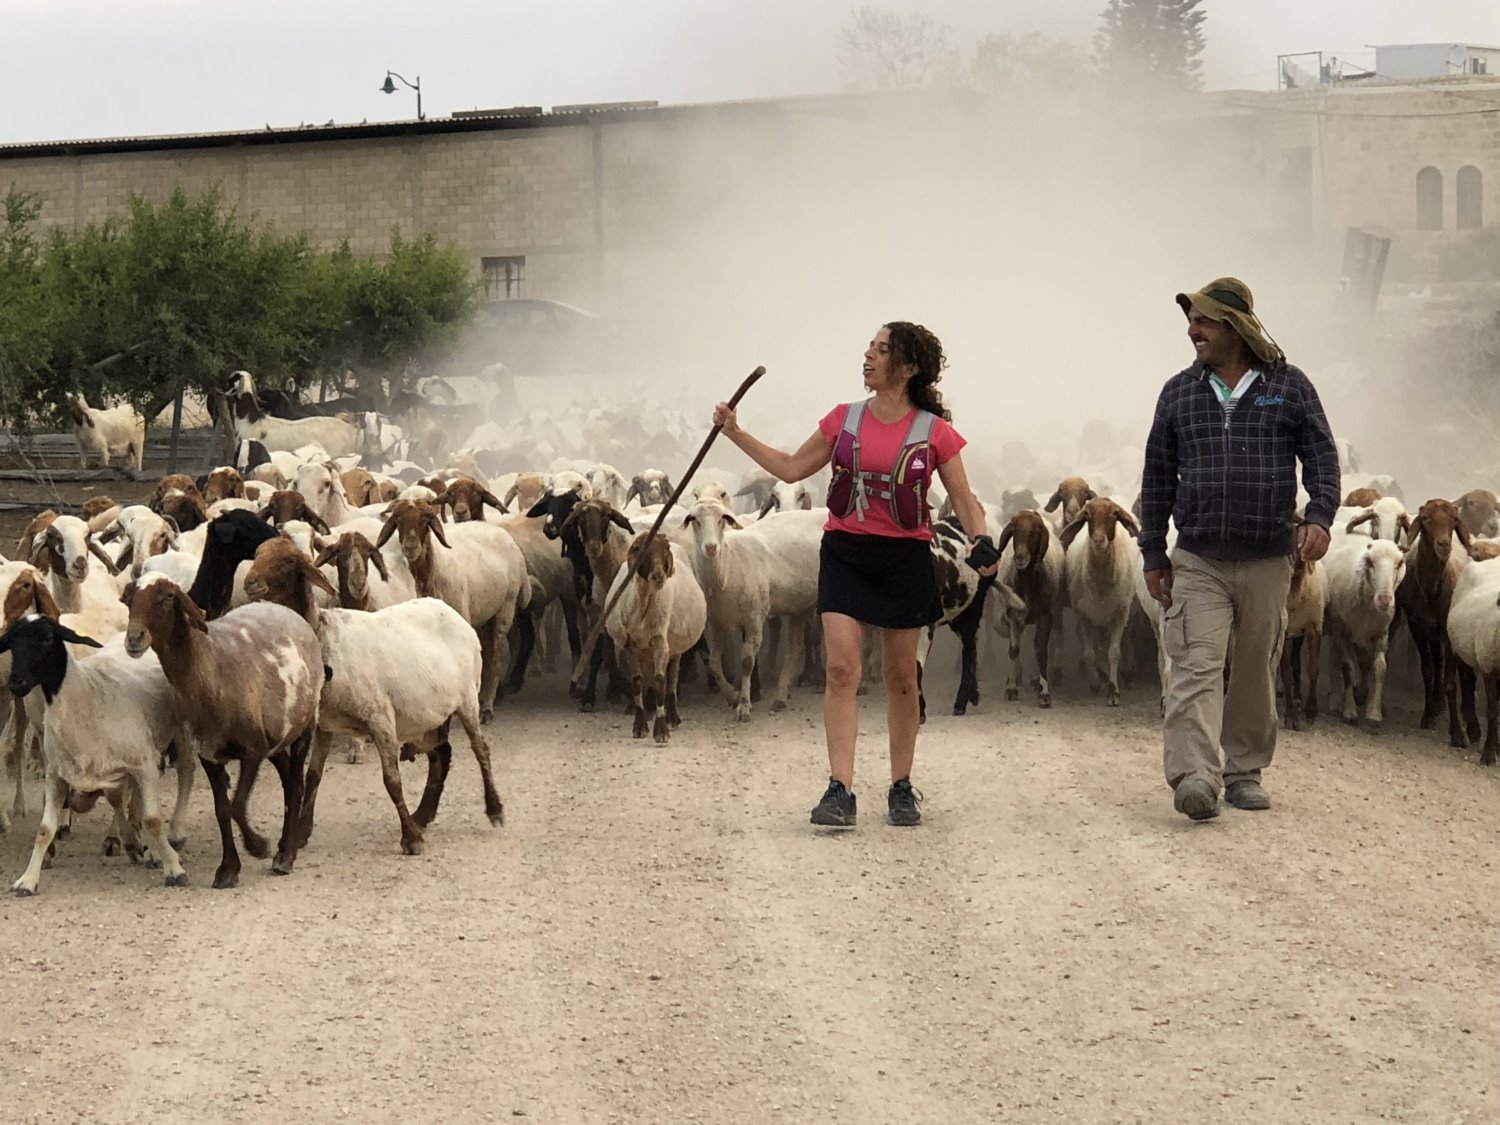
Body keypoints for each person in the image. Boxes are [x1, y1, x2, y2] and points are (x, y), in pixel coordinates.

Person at [712, 322, 995, 828]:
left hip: (905, 559)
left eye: (881, 350)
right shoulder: (843, 420)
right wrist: (735, 433)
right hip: (845, 551)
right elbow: (792, 468)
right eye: (869, 346)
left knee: (902, 678)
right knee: (841, 670)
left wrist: (980, 538)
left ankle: (901, 786)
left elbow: (962, 498)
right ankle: (839, 788)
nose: (867, 355)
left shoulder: (935, 432)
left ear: (907, 367)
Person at [1139, 278, 1340, 822]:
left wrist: (1320, 515)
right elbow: (1157, 475)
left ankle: (1244, 770)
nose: (1192, 331)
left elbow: (1322, 456)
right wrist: (1153, 552)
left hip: (1269, 557)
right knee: (1195, 664)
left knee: (1254, 665)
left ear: (1236, 327)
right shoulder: (1179, 391)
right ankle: (1195, 776)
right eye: (1192, 322)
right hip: (1199, 556)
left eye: (1203, 322)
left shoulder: (1288, 386)